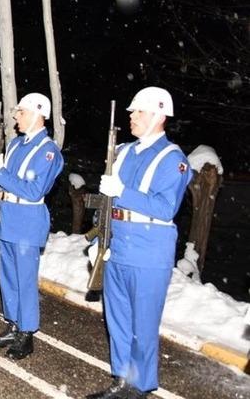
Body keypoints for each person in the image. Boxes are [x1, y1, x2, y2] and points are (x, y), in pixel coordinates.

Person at [86, 87, 192, 399]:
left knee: (143, 324)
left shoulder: (173, 159)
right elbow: (107, 200)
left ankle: (140, 387)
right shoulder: (123, 152)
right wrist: (99, 235)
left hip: (149, 249)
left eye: (139, 112)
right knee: (117, 319)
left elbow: (165, 207)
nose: (132, 116)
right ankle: (122, 380)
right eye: (132, 111)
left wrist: (122, 191)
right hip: (118, 243)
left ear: (159, 116)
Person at [0, 93, 64, 360]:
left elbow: (33, 190)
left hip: (28, 219)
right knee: (7, 276)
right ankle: (13, 325)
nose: (16, 116)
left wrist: (1, 174)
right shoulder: (16, 144)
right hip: (9, 215)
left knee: (25, 279)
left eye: (22, 112)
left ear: (38, 115)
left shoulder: (48, 151)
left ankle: (27, 332)